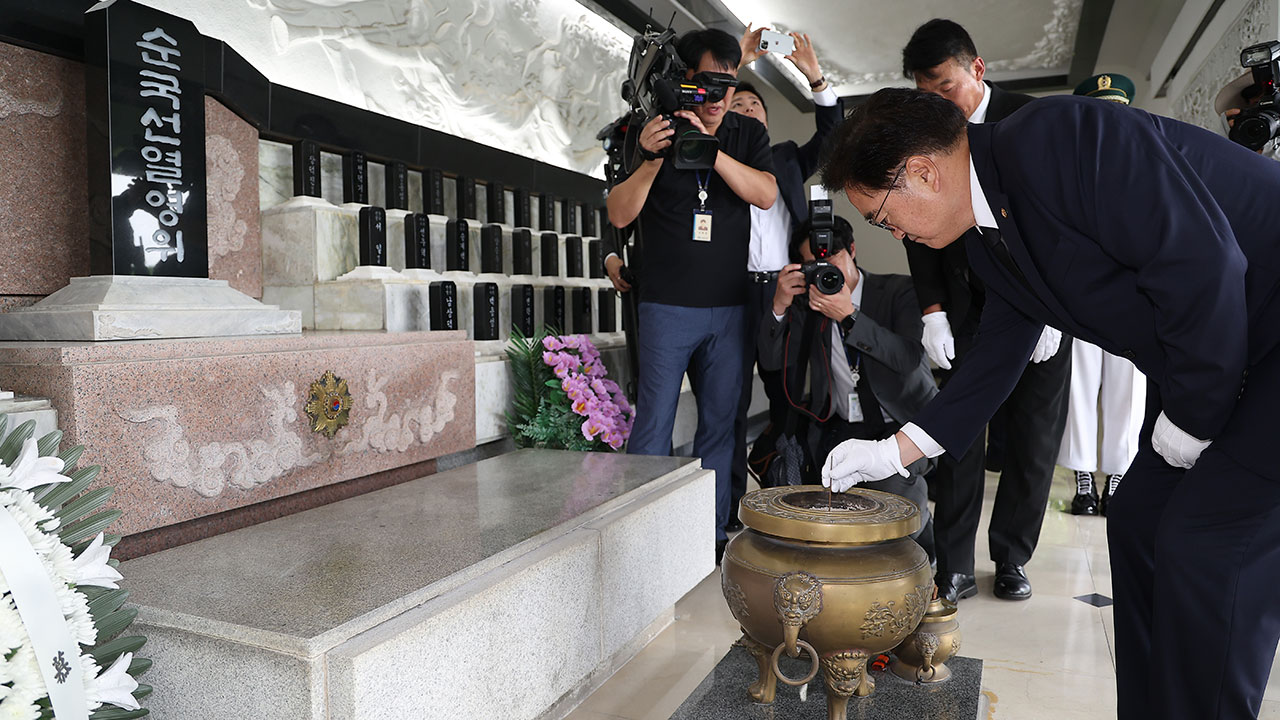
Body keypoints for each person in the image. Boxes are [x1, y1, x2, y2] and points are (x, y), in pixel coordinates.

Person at [818, 86, 1280, 720]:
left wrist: (1195, 416)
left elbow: (1206, 262)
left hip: (1266, 338)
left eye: (881, 216)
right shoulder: (986, 234)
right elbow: (996, 357)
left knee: (1209, 550)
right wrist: (896, 449)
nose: (891, 232)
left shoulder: (1057, 136)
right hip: (1229, 350)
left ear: (921, 171)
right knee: (1141, 520)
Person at [898, 18, 1071, 602]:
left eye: (945, 88)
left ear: (977, 69)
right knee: (960, 435)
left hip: (1044, 308)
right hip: (969, 307)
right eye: (926, 94)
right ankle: (954, 564)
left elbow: (1065, 225)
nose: (938, 104)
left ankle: (1013, 557)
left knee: (1033, 438)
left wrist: (1055, 312)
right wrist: (931, 310)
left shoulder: (1034, 119)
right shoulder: (927, 137)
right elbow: (914, 227)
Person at [604, 28, 777, 564]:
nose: (721, 96)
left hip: (729, 306)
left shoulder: (746, 133)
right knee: (653, 420)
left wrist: (712, 147)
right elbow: (618, 214)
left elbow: (766, 194)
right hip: (665, 305)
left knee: (720, 424)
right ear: (686, 80)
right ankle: (642, 535)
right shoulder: (645, 129)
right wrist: (652, 158)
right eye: (708, 84)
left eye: (729, 84)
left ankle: (708, 536)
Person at [718, 26, 842, 532]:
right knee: (728, 408)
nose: (748, 110)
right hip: (727, 294)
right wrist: (739, 66)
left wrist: (814, 76)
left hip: (784, 291)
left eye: (756, 107)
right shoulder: (713, 159)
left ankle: (781, 506)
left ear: (767, 122)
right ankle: (724, 520)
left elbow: (834, 137)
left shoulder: (788, 157)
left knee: (788, 400)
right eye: (738, 105)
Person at [757, 216, 937, 559]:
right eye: (813, 265)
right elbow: (770, 361)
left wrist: (849, 314)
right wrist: (779, 305)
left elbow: (909, 358)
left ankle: (922, 563)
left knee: (893, 499)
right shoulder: (808, 305)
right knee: (818, 502)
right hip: (838, 426)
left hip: (901, 427)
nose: (824, 270)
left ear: (852, 251)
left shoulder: (898, 290)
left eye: (831, 258)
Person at [1060, 73, 1147, 516]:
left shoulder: (1147, 160)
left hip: (1136, 293)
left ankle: (1117, 475)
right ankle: (1082, 479)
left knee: (1127, 391)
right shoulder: (1073, 168)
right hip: (1086, 295)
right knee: (1079, 384)